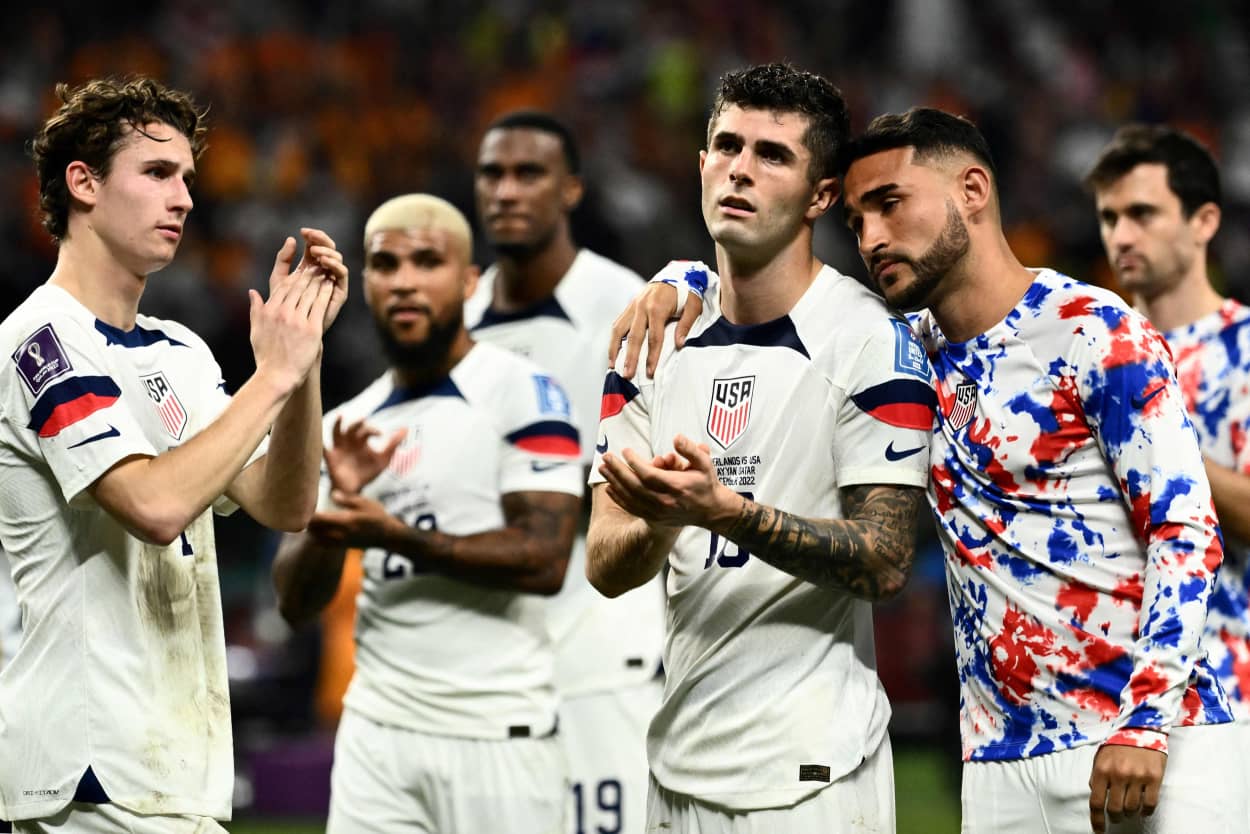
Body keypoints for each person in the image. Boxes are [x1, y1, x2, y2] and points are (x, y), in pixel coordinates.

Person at [631, 107, 1249, 833]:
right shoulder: (905, 352)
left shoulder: (1093, 329)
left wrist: (1145, 723)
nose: (870, 237)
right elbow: (773, 286)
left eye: (889, 204)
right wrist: (688, 274)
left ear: (973, 191)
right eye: (857, 218)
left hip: (1151, 740)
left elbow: (1185, 529)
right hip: (997, 763)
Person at [586, 63, 936, 833]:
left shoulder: (870, 341)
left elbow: (885, 560)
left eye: (773, 154)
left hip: (813, 774)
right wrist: (663, 519)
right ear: (701, 163)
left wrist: (727, 511)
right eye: (726, 146)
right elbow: (605, 564)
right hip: (675, 768)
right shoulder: (646, 341)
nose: (740, 169)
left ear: (820, 196)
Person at [0, 77, 347, 833]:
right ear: (83, 184)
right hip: (91, 773)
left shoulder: (179, 350)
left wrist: (305, 360)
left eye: (187, 177)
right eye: (158, 174)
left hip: (177, 771)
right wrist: (274, 375)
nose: (186, 198)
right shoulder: (41, 341)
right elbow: (155, 507)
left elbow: (283, 504)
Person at [271, 193, 584, 834]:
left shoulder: (525, 391)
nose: (405, 281)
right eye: (386, 264)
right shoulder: (343, 424)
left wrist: (394, 536)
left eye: (427, 261)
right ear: (366, 283)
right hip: (376, 733)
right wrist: (337, 523)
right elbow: (295, 601)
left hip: (498, 729)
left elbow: (546, 558)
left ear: (469, 280)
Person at [467, 109, 663, 834]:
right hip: (490, 621)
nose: (507, 191)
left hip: (603, 619)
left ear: (571, 189)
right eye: (493, 174)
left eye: (529, 173)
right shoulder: (459, 320)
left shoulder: (629, 304)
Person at [1084, 124, 1250, 722]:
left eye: (1142, 213)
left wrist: (1156, 453)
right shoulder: (1087, 352)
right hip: (1105, 686)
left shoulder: (1245, 349)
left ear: (1204, 221)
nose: (1120, 235)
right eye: (1109, 218)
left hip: (1230, 683)